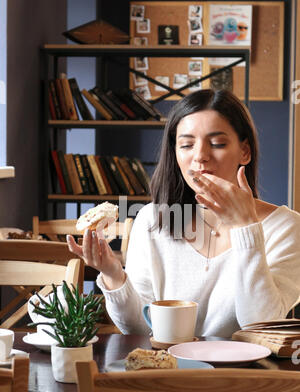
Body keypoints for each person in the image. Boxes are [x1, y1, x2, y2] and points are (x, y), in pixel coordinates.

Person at [67, 89, 300, 338]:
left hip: (244, 375)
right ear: (175, 153)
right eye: (187, 145)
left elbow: (262, 327)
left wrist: (245, 227)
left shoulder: (287, 228)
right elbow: (139, 328)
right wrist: (113, 275)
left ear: (245, 151)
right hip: (168, 370)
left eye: (217, 143)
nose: (200, 156)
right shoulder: (151, 220)